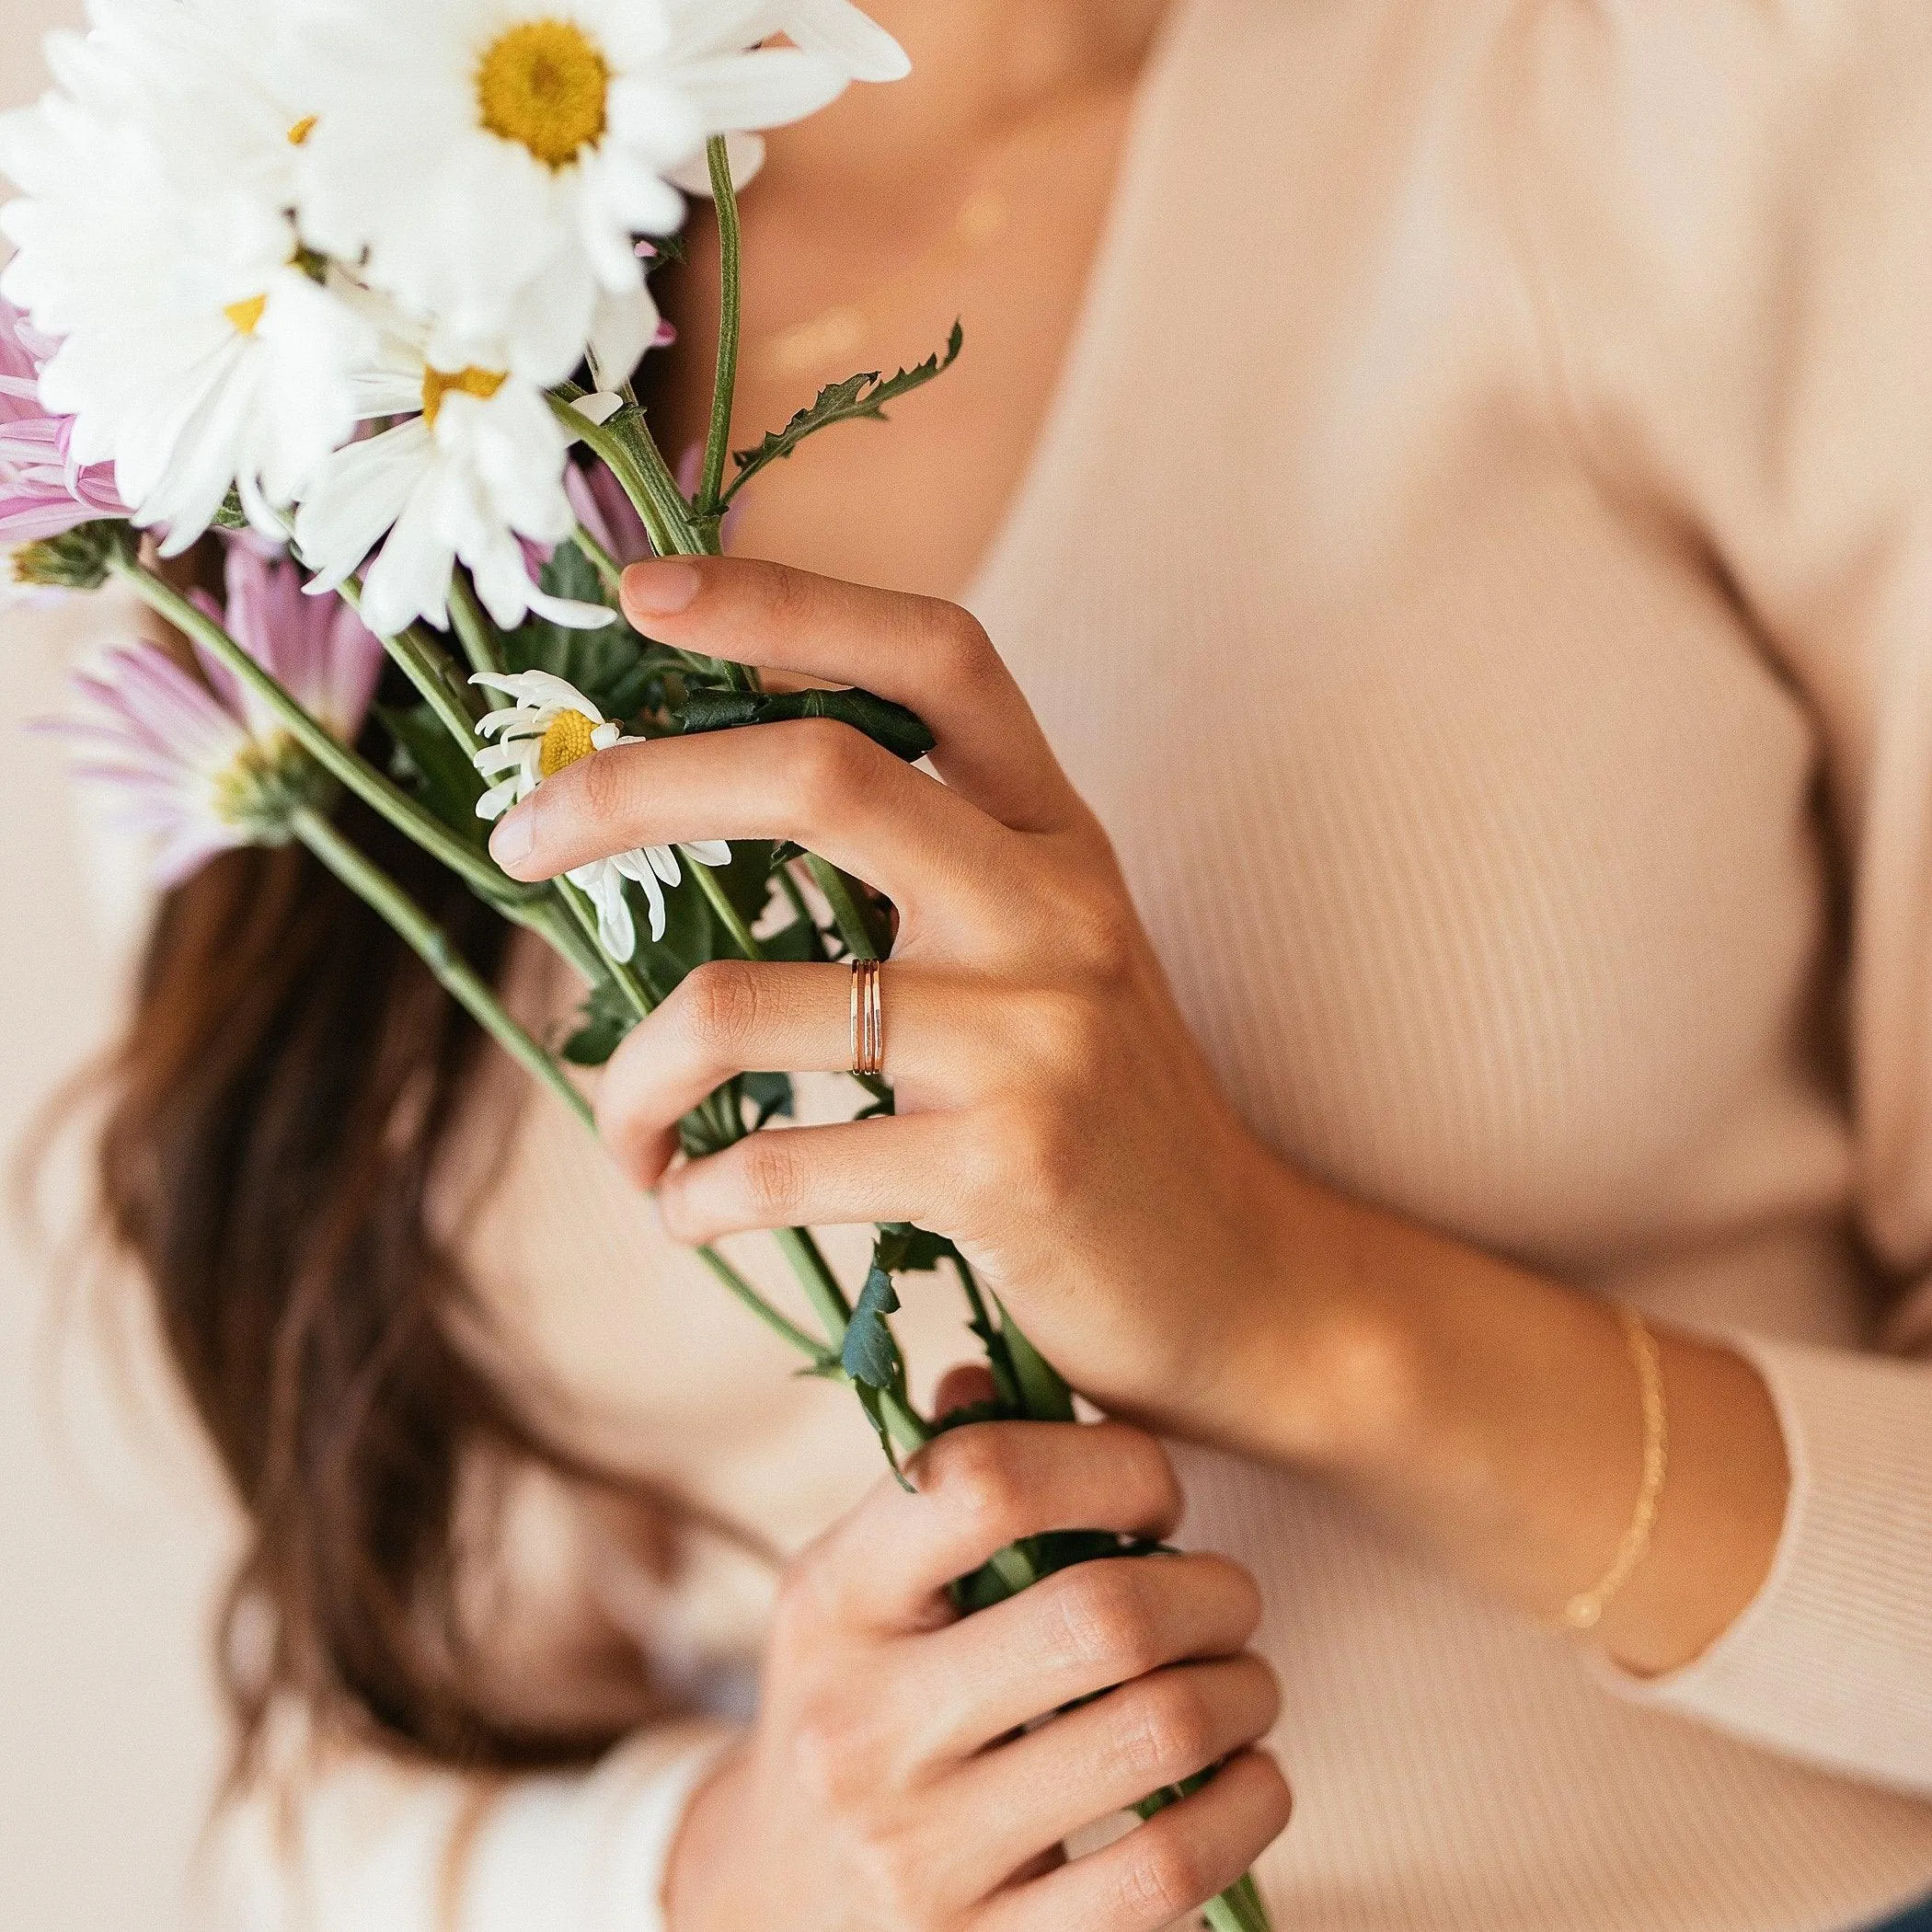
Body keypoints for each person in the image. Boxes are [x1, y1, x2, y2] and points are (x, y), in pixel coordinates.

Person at [94, 0, 1932, 1926]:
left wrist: (1290, 1309)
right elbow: (318, 1806)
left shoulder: (1705, 96)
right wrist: (729, 1875)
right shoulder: (275, 340)